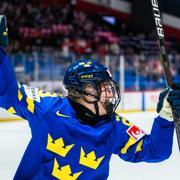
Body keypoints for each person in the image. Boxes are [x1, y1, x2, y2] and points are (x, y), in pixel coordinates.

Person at [0, 15, 180, 180]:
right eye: (105, 88)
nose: (111, 93)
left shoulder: (114, 126)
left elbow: (155, 151)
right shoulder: (48, 107)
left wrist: (165, 117)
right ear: (86, 90)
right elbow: (7, 93)